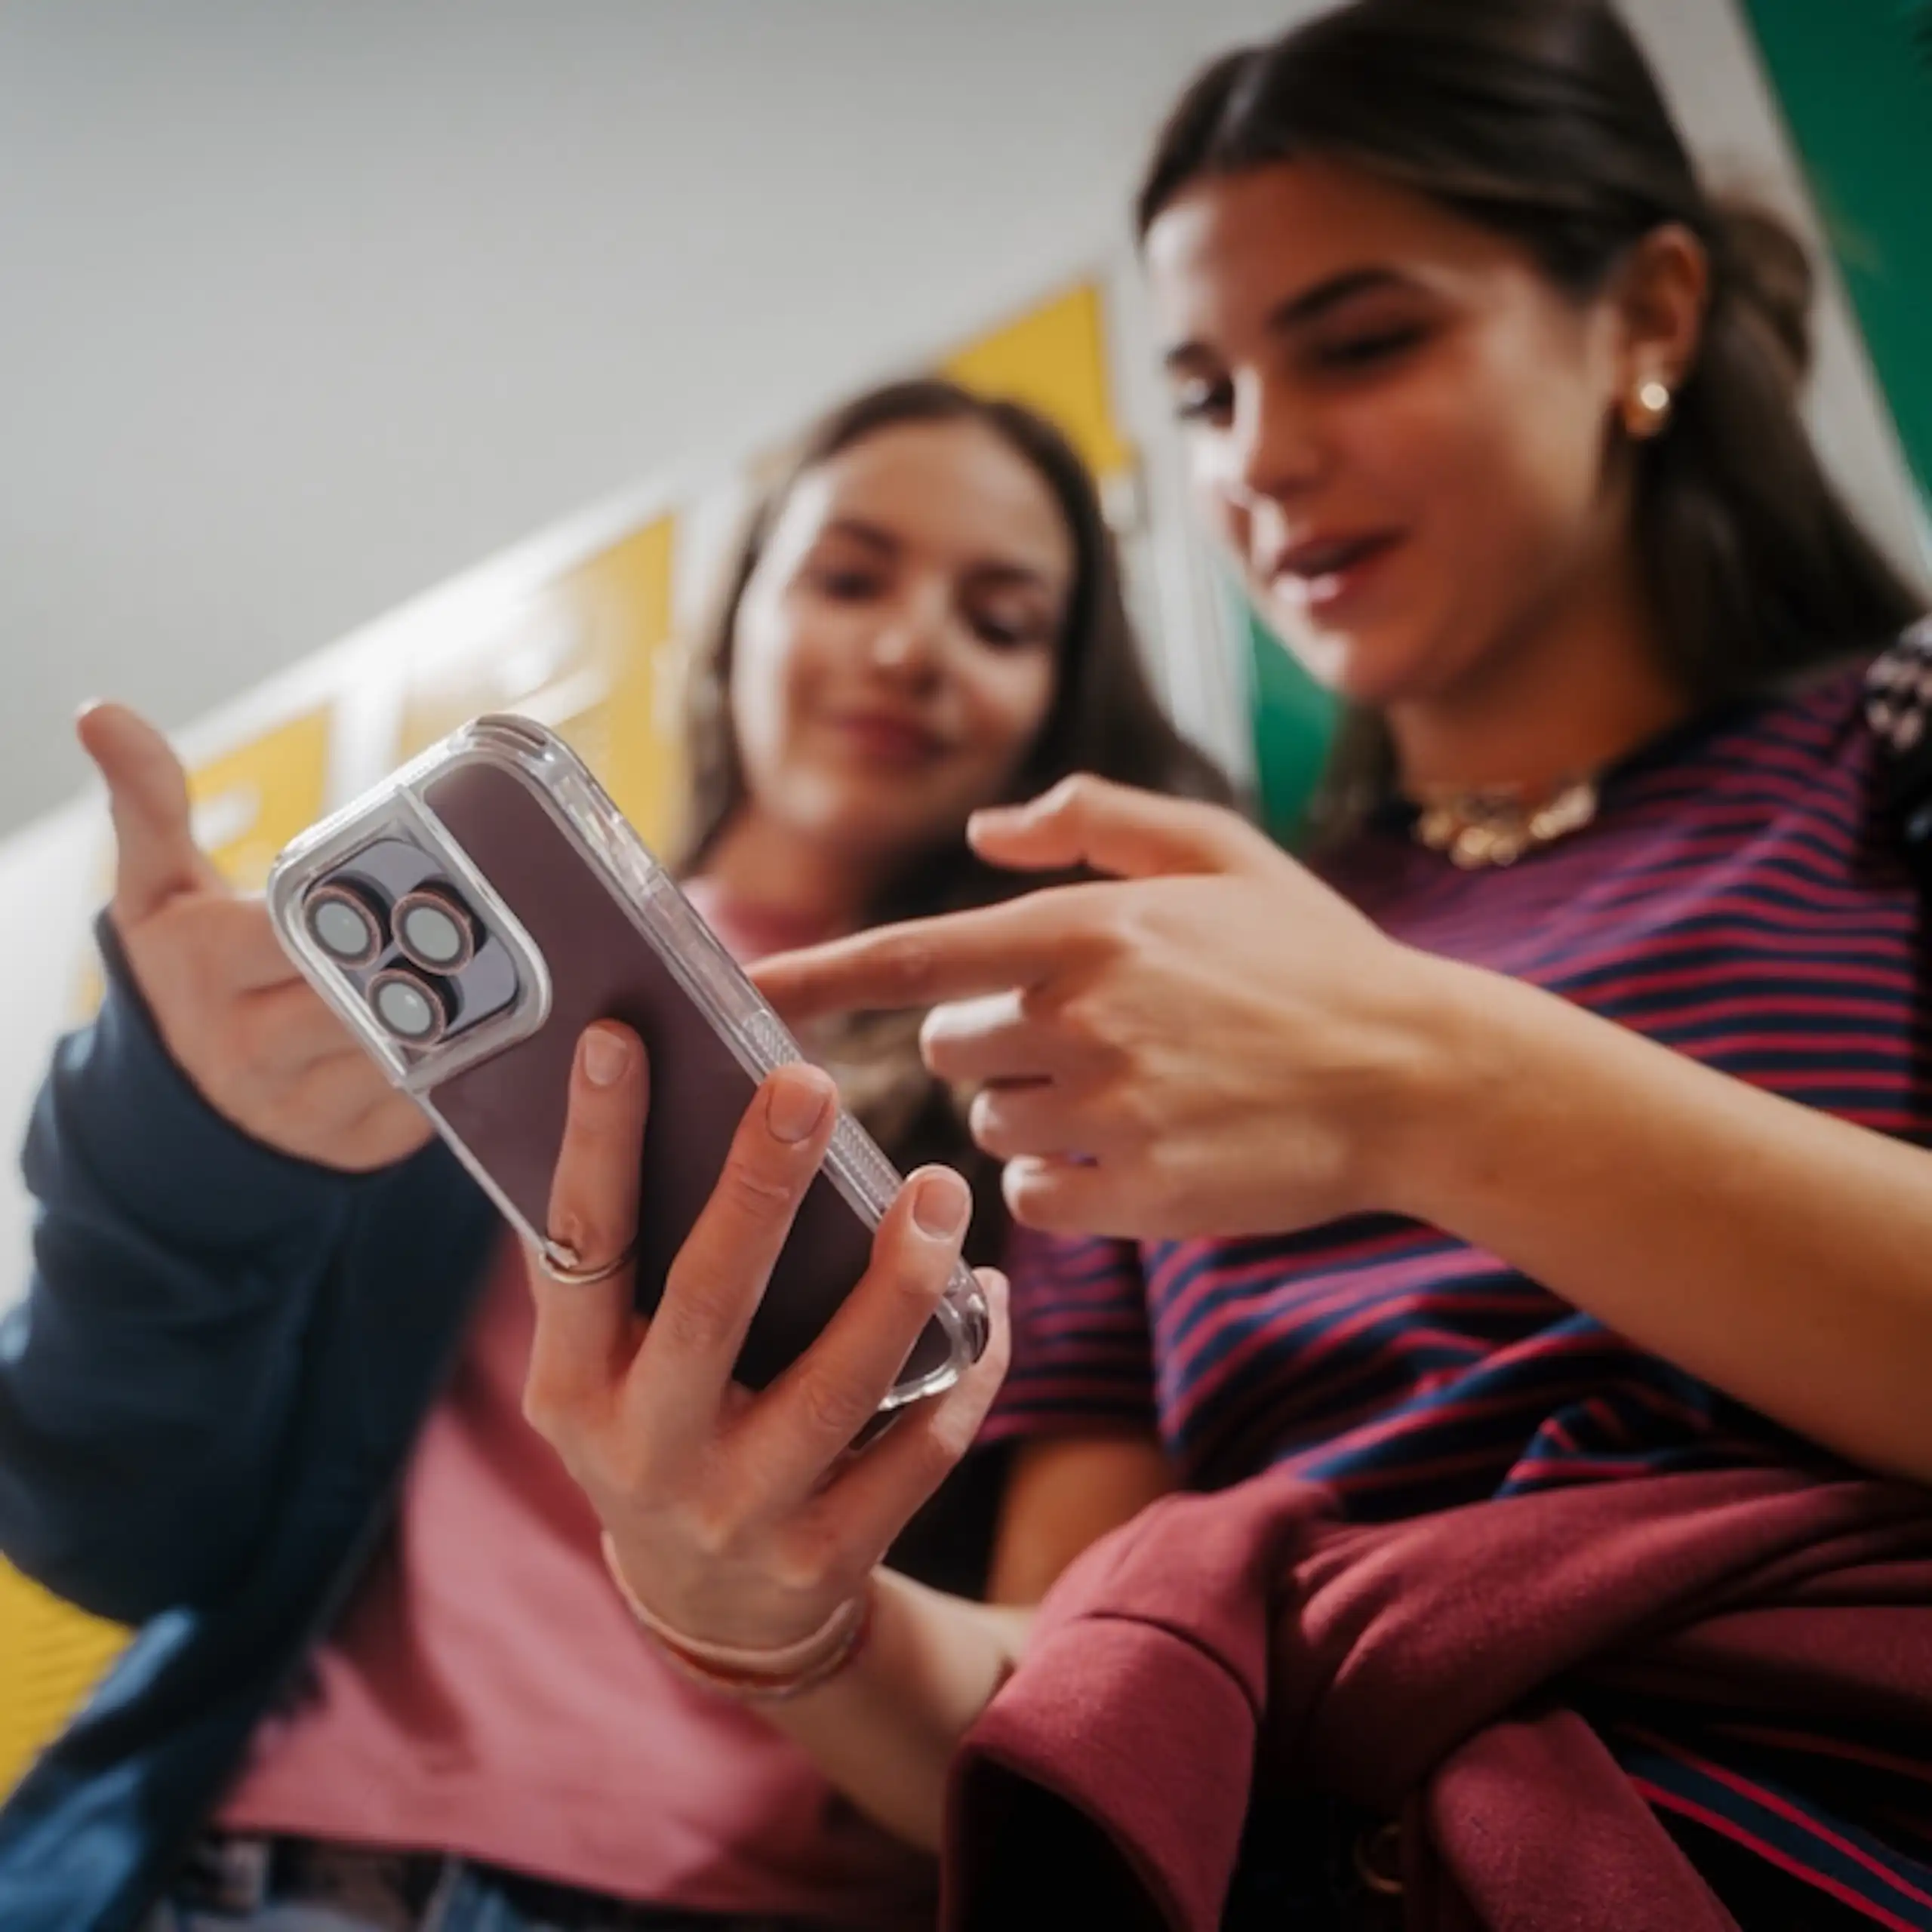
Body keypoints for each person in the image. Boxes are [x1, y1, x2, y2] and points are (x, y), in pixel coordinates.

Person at [513, 2, 1932, 1926]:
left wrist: (1427, 1082)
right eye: (1199, 396)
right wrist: (772, 1615)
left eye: (1362, 342)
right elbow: (1091, 1705)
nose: (1262, 459)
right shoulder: (1165, 976)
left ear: (1648, 318)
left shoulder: (1887, 749)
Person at [0, 378, 1225, 1932]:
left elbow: (1073, 1719)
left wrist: (782, 1611)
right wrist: (169, 1149)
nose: (908, 645)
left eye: (997, 618)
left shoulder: (1053, 1080)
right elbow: (106, 1525)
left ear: (1059, 694)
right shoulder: (440, 1003)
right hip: (217, 1866)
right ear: (731, 620)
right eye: (846, 577)